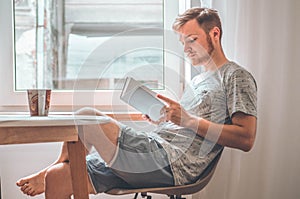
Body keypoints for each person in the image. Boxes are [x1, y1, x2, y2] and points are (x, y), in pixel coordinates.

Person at [16, 7, 257, 198]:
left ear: (214, 33)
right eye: (183, 43)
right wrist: (164, 118)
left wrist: (187, 119)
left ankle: (50, 165)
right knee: (57, 178)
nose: (186, 49)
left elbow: (246, 138)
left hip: (170, 162)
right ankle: (51, 169)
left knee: (87, 116)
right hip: (155, 147)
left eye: (191, 40)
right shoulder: (199, 81)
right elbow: (187, 126)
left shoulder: (235, 76)